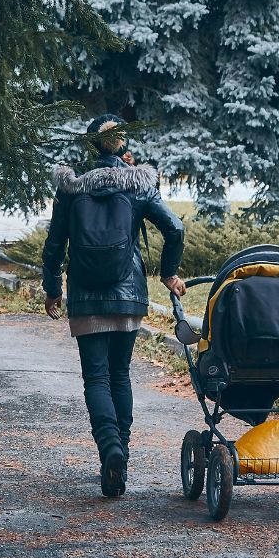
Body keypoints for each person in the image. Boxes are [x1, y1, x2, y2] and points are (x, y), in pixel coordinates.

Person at [42, 114, 185, 498]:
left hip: (86, 296)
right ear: (124, 146)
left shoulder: (71, 186)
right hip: (127, 295)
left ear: (90, 146)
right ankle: (121, 454)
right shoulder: (138, 184)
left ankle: (110, 451)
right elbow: (175, 228)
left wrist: (52, 289)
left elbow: (55, 243)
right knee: (120, 374)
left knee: (96, 378)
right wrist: (169, 274)